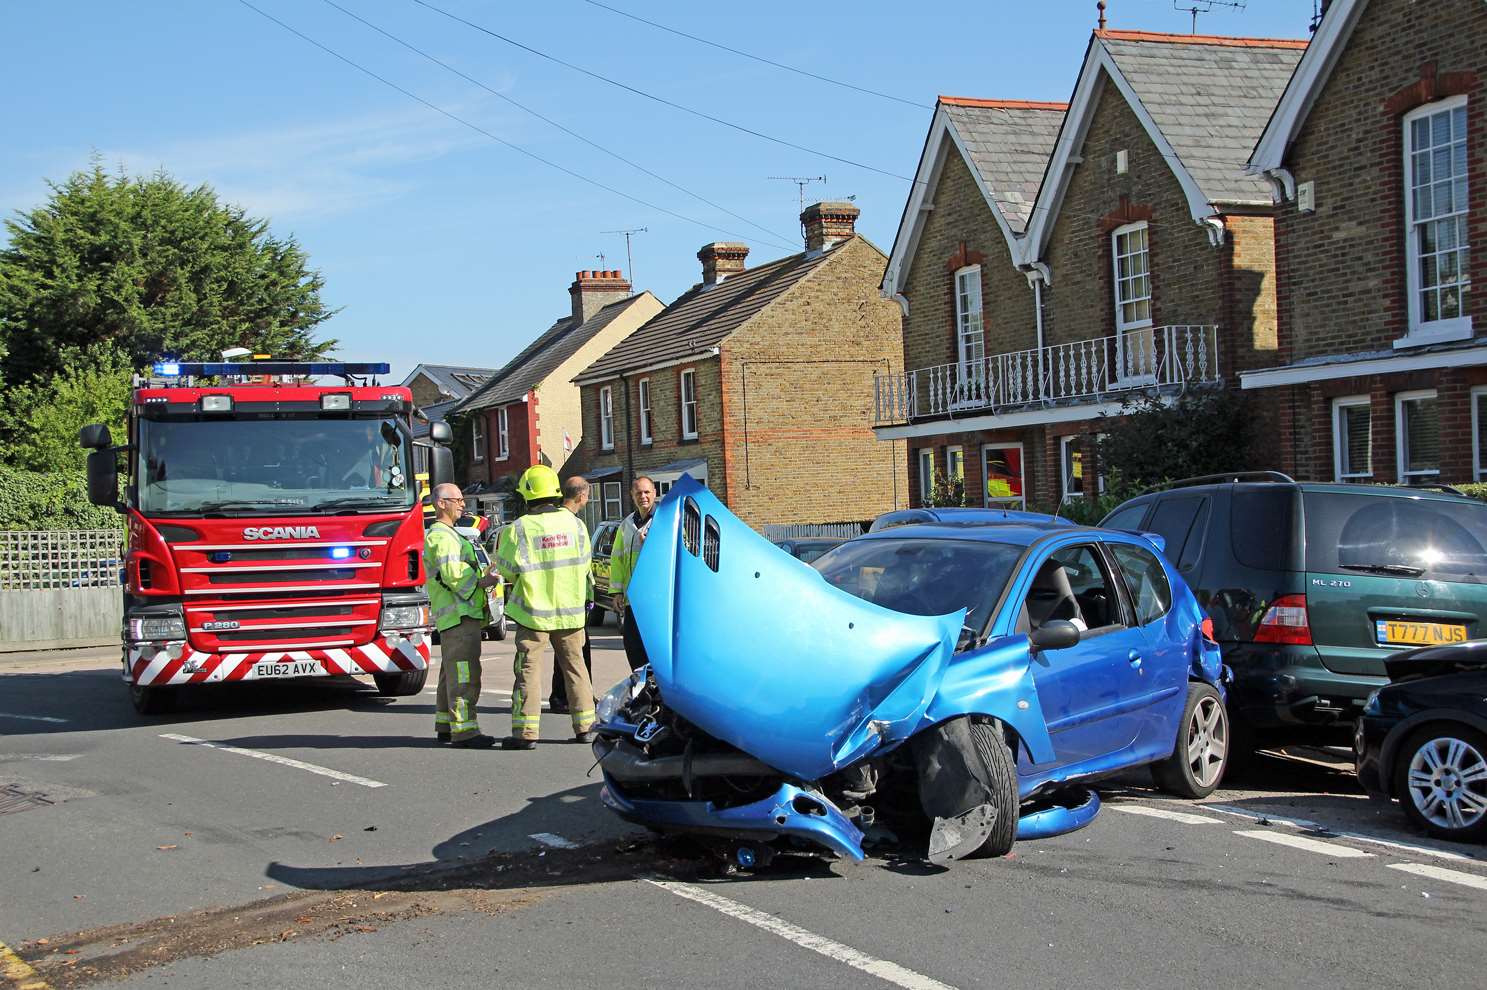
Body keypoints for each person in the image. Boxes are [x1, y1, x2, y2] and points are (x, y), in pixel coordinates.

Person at [495, 465, 595, 750]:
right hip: (571, 613)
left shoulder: (518, 529)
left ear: (527, 495)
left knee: (528, 670)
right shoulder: (576, 525)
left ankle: (526, 733)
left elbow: (506, 570)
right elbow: (585, 564)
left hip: (533, 615)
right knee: (576, 668)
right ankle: (586, 727)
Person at [425, 483, 501, 749]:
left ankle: (446, 725)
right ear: (441, 503)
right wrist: (484, 580)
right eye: (457, 500)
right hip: (459, 615)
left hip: (458, 615)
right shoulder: (442, 537)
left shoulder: (448, 535)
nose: (462, 505)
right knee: (464, 673)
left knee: (451, 672)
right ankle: (465, 731)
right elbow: (453, 575)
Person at [550, 476, 595, 714]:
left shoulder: (555, 521)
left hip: (561, 598)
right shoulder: (575, 525)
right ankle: (573, 698)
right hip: (572, 599)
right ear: (581, 496)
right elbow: (583, 565)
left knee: (571, 652)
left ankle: (565, 695)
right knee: (574, 653)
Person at [609, 475, 657, 672]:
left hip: (656, 602)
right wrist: (616, 592)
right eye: (638, 493)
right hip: (631, 601)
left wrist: (653, 543)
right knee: (633, 650)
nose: (643, 496)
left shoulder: (666, 520)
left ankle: (660, 696)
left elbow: (682, 551)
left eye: (647, 492)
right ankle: (641, 693)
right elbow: (617, 560)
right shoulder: (626, 524)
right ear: (632, 495)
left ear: (654, 493)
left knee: (654, 653)